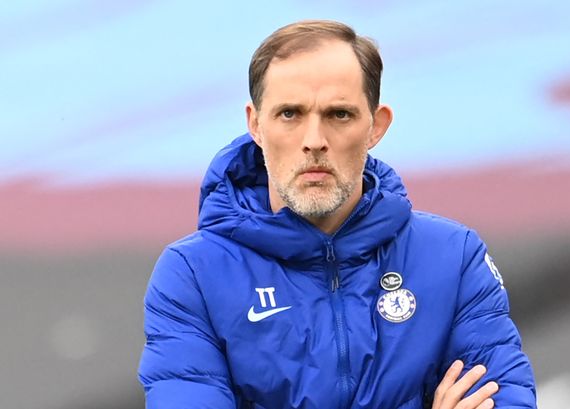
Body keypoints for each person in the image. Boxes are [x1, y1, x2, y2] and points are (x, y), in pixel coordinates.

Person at [138, 20, 536, 408]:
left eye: (339, 114)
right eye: (290, 114)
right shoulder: (192, 274)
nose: (314, 141)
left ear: (376, 126)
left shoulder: (452, 257)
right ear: (256, 125)